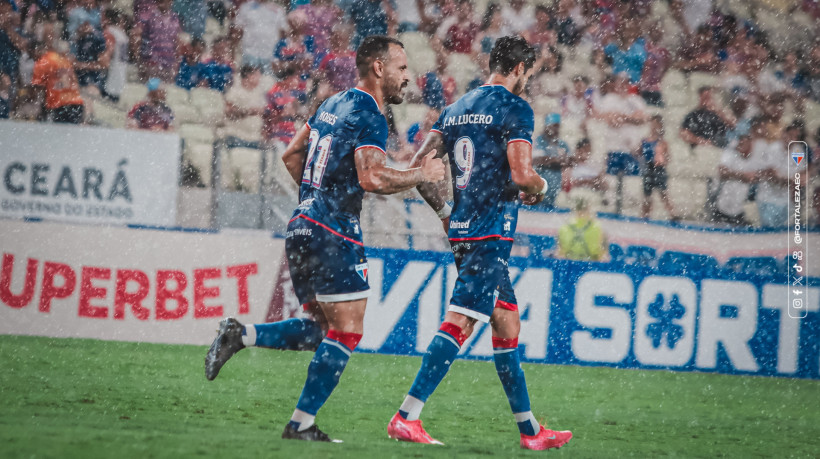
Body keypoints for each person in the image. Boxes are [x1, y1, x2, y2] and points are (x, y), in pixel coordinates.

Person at [204, 35, 446, 442]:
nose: (409, 77)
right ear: (379, 68)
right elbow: (372, 177)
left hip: (302, 224)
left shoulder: (331, 104)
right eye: (402, 69)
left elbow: (291, 154)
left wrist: (315, 200)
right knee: (348, 332)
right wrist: (421, 174)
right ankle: (300, 424)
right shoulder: (371, 112)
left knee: (319, 329)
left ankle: (240, 334)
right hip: (333, 229)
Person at [386, 36, 572, 451]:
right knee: (462, 322)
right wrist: (540, 187)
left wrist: (448, 214)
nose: (528, 80)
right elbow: (524, 176)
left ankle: (530, 433)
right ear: (520, 69)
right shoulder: (515, 108)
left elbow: (419, 169)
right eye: (530, 73)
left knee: (506, 322)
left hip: (466, 231)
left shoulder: (456, 109)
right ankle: (405, 416)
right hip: (490, 234)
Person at [713, 134, 762, 226]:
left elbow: (755, 177)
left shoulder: (754, 159)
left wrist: (735, 175)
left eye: (746, 143)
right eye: (741, 143)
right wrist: (742, 175)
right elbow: (722, 172)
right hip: (722, 205)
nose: (742, 145)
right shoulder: (730, 154)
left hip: (739, 208)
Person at [31, 39, 84, 124]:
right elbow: (74, 80)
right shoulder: (61, 58)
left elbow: (38, 88)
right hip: (76, 101)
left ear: (35, 51)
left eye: (31, 54)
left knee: (59, 135)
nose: (31, 57)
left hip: (59, 103)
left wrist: (41, 108)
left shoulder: (42, 62)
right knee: (73, 135)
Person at [637, 115, 679, 221]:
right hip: (648, 168)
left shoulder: (662, 142)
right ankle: (645, 214)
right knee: (647, 195)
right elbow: (639, 153)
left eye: (655, 124)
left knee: (663, 193)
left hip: (658, 168)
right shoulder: (645, 141)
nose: (653, 126)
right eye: (652, 124)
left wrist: (662, 159)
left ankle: (672, 213)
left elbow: (667, 157)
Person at [532, 112, 572, 209]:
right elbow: (537, 160)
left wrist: (553, 160)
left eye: (558, 127)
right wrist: (556, 160)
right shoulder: (538, 141)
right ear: (546, 126)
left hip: (555, 188)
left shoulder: (562, 144)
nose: (556, 129)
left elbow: (570, 161)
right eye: (553, 126)